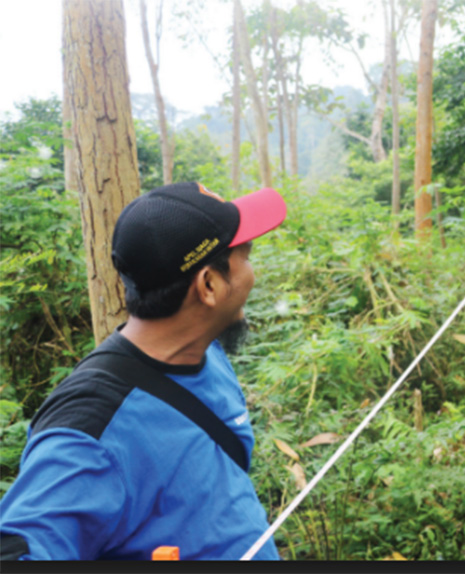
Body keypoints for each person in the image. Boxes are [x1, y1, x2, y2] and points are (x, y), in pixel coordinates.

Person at [0, 182, 287, 560]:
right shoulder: (89, 430)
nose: (252, 273)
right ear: (210, 285)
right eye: (245, 257)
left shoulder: (205, 351)